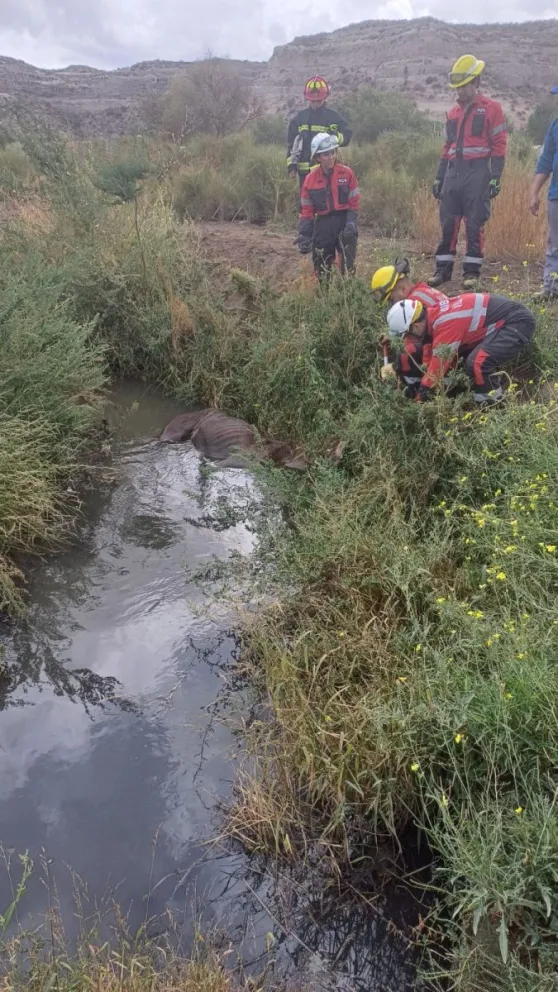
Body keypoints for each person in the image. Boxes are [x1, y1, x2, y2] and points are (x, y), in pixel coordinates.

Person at [429, 54, 508, 291]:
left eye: (463, 86)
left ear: (475, 83)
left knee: (474, 223)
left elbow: (499, 144)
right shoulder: (453, 113)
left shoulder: (492, 109)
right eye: (457, 87)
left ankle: (471, 272)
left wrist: (495, 177)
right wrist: (439, 176)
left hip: (478, 173)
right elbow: (447, 147)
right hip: (454, 173)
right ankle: (443, 270)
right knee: (448, 222)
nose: (460, 91)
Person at [385, 293, 535, 404]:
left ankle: (493, 410)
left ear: (416, 326)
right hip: (496, 324)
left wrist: (421, 396)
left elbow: (438, 368)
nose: (408, 340)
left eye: (408, 335)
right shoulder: (432, 316)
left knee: (478, 362)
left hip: (516, 322)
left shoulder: (446, 323)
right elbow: (430, 347)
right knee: (460, 364)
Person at [295, 133, 360, 279]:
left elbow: (354, 203)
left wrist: (351, 222)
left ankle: (347, 295)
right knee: (322, 268)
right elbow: (307, 211)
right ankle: (324, 296)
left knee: (348, 269)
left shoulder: (347, 173)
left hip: (344, 222)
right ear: (317, 157)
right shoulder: (310, 180)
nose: (331, 156)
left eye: (332, 152)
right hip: (323, 225)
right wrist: (304, 234)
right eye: (325, 154)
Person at [287, 76, 352, 190]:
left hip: (327, 172)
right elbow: (291, 144)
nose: (316, 103)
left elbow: (347, 135)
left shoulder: (333, 117)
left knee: (326, 205)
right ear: (308, 99)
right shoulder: (300, 118)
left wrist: (335, 138)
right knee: (306, 204)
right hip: (304, 174)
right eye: (313, 100)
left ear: (325, 98)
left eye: (319, 100)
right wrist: (291, 166)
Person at [529, 85, 558, 302]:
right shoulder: (554, 127)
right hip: (556, 195)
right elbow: (545, 162)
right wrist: (534, 192)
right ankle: (551, 289)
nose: (556, 100)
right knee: (554, 244)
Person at [371, 258, 449, 306]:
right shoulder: (423, 290)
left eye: (392, 300)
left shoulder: (413, 305)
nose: (392, 305)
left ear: (403, 289)